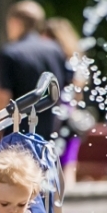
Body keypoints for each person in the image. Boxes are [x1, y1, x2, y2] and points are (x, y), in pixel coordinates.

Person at [0, 0, 69, 140]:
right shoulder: (56, 50)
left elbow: (3, 94)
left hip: (16, 134)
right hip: (48, 134)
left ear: (15, 22)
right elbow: (64, 88)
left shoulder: (11, 52)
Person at [43, 17, 87, 187]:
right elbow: (78, 92)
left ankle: (60, 201)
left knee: (59, 161)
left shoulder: (56, 60)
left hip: (56, 113)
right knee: (67, 162)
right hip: (68, 112)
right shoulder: (74, 61)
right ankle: (70, 201)